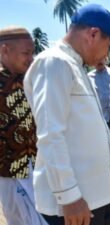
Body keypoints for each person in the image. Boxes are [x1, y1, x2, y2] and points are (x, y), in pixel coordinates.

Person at [23, 4, 110, 225]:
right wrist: (68, 196)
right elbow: (51, 135)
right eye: (108, 46)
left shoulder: (76, 66)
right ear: (93, 34)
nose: (107, 54)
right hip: (76, 206)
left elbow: (86, 130)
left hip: (95, 197)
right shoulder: (54, 63)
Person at [0, 26, 48, 225]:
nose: (31, 58)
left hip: (38, 168)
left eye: (32, 52)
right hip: (10, 172)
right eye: (25, 53)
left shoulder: (31, 80)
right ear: (5, 50)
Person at [88, 57, 110, 124]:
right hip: (100, 118)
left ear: (105, 59)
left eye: (101, 58)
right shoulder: (89, 77)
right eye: (96, 59)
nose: (99, 61)